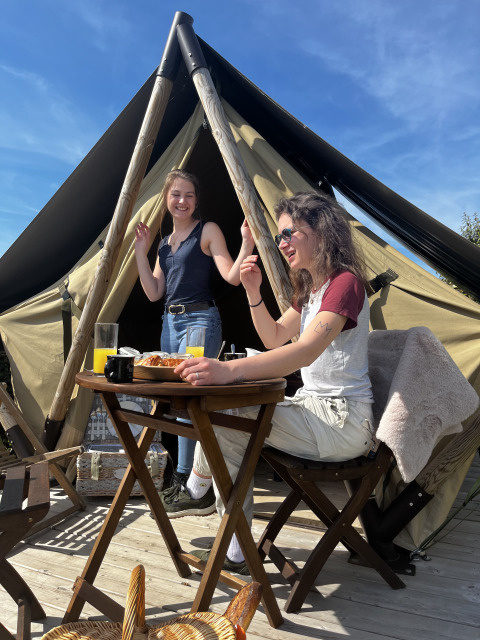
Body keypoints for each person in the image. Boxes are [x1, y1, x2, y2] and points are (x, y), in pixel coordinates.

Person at [163, 190, 376, 575]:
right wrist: (252, 292)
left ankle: (202, 493)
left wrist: (229, 370)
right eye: (279, 237)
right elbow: (275, 337)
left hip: (342, 422)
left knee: (226, 411)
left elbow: (304, 351)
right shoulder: (311, 291)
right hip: (313, 412)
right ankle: (232, 537)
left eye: (289, 233)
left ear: (320, 231)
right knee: (224, 412)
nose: (281, 243)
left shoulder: (346, 283)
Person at [134, 169, 254, 487]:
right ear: (166, 198)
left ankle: (188, 478)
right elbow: (153, 293)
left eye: (189, 194)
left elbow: (231, 275)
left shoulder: (207, 230)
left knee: (190, 395)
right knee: (175, 398)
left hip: (200, 320)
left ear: (196, 200)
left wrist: (246, 243)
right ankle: (188, 475)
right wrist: (140, 252)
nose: (182, 200)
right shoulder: (163, 244)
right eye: (176, 194)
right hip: (169, 323)